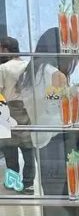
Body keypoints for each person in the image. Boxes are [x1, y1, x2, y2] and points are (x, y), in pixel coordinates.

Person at [16, 28, 79, 216]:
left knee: (52, 202)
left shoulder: (30, 73)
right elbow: (58, 110)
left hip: (41, 144)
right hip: (60, 142)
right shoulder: (55, 76)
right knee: (68, 200)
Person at [0, 36, 34, 193]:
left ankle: (13, 182)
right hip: (27, 109)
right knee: (28, 149)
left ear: (5, 49)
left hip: (8, 109)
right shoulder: (28, 65)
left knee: (10, 151)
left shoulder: (3, 68)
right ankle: (29, 183)